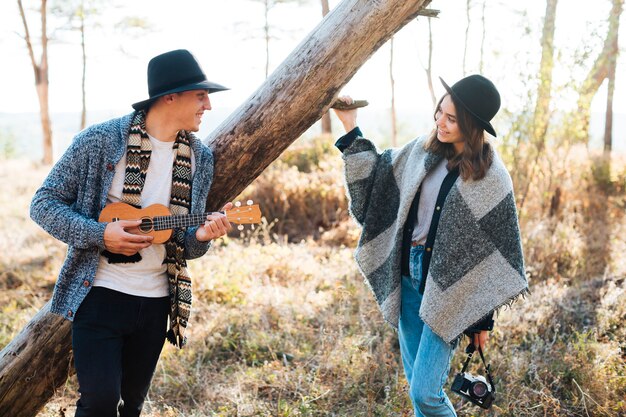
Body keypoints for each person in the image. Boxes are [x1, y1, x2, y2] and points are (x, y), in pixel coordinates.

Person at [30, 49, 232, 417]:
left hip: (156, 302)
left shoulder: (200, 158)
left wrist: (202, 236)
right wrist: (100, 234)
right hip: (99, 296)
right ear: (170, 97)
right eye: (200, 95)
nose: (208, 105)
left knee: (131, 407)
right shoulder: (101, 141)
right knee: (101, 403)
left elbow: (184, 244)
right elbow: (43, 204)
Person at [332, 74, 528, 416]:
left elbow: (493, 253)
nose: (440, 122)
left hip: (449, 292)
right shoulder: (420, 151)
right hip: (408, 277)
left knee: (425, 393)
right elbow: (377, 183)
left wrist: (481, 320)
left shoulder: (492, 177)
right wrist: (350, 126)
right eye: (440, 112)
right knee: (416, 389)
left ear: (472, 125)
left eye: (451, 119)